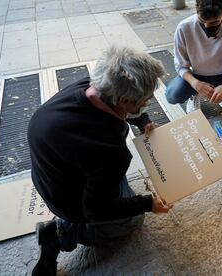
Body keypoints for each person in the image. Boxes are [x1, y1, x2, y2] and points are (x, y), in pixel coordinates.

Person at [28, 46, 173, 275]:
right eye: (145, 102)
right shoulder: (109, 150)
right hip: (70, 201)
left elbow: (121, 109)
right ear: (125, 101)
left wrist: (141, 118)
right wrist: (147, 204)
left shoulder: (92, 84)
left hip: (52, 177)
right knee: (132, 220)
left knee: (115, 181)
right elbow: (96, 209)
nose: (147, 104)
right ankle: (61, 234)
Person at [165, 0, 222, 114]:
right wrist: (196, 84)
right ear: (197, 13)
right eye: (202, 21)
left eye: (214, 23)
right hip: (197, 75)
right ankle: (194, 94)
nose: (206, 27)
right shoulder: (184, 28)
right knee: (172, 95)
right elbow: (181, 66)